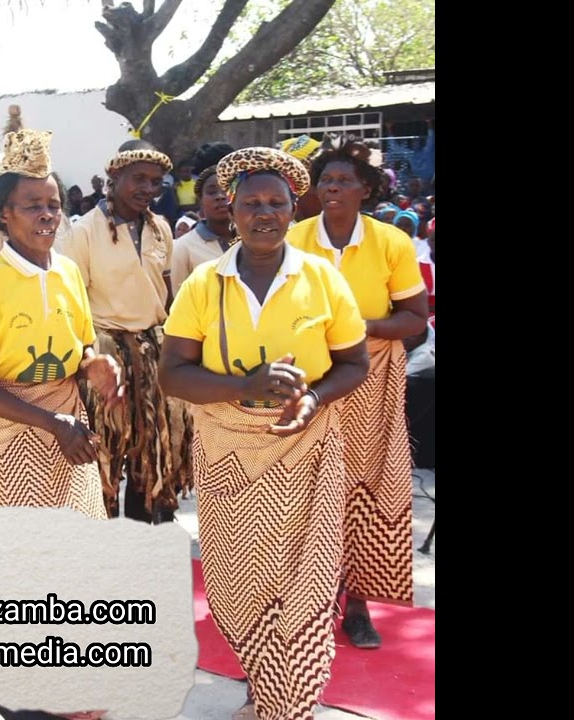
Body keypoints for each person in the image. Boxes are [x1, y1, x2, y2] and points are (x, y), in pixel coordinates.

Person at [159, 146, 370, 720]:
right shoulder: (205, 284)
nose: (265, 213)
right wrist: (241, 387)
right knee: (238, 588)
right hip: (227, 455)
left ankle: (282, 705)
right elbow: (172, 374)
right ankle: (264, 693)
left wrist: (313, 398)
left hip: (308, 450)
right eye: (251, 202)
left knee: (303, 591)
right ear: (230, 207)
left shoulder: (322, 278)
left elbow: (355, 364)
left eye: (277, 202)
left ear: (292, 208)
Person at [287, 138, 428, 650]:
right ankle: (301, 604)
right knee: (301, 487)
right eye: (325, 181)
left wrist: (357, 325)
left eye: (343, 181)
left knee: (362, 490)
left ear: (365, 189)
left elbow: (415, 319)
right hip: (309, 372)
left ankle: (357, 605)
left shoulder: (391, 242)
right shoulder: (294, 237)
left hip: (370, 377)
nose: (332, 189)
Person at [0, 130, 124, 520]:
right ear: (4, 215)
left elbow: (82, 348)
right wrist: (52, 423)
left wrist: (93, 364)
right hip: (6, 437)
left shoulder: (67, 272)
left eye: (53, 204)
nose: (47, 214)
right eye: (32, 206)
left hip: (69, 432)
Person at [65, 139, 188, 524]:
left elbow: (163, 292)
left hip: (153, 350)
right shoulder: (83, 231)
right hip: (105, 353)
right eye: (139, 179)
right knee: (105, 457)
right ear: (113, 177)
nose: (148, 189)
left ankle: (148, 541)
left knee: (152, 456)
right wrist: (89, 361)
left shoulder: (161, 229)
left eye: (156, 182)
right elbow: (72, 303)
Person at [170, 154, 236, 290]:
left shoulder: (252, 242)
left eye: (226, 190)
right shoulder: (184, 247)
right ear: (200, 200)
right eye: (212, 192)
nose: (220, 196)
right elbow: (178, 300)